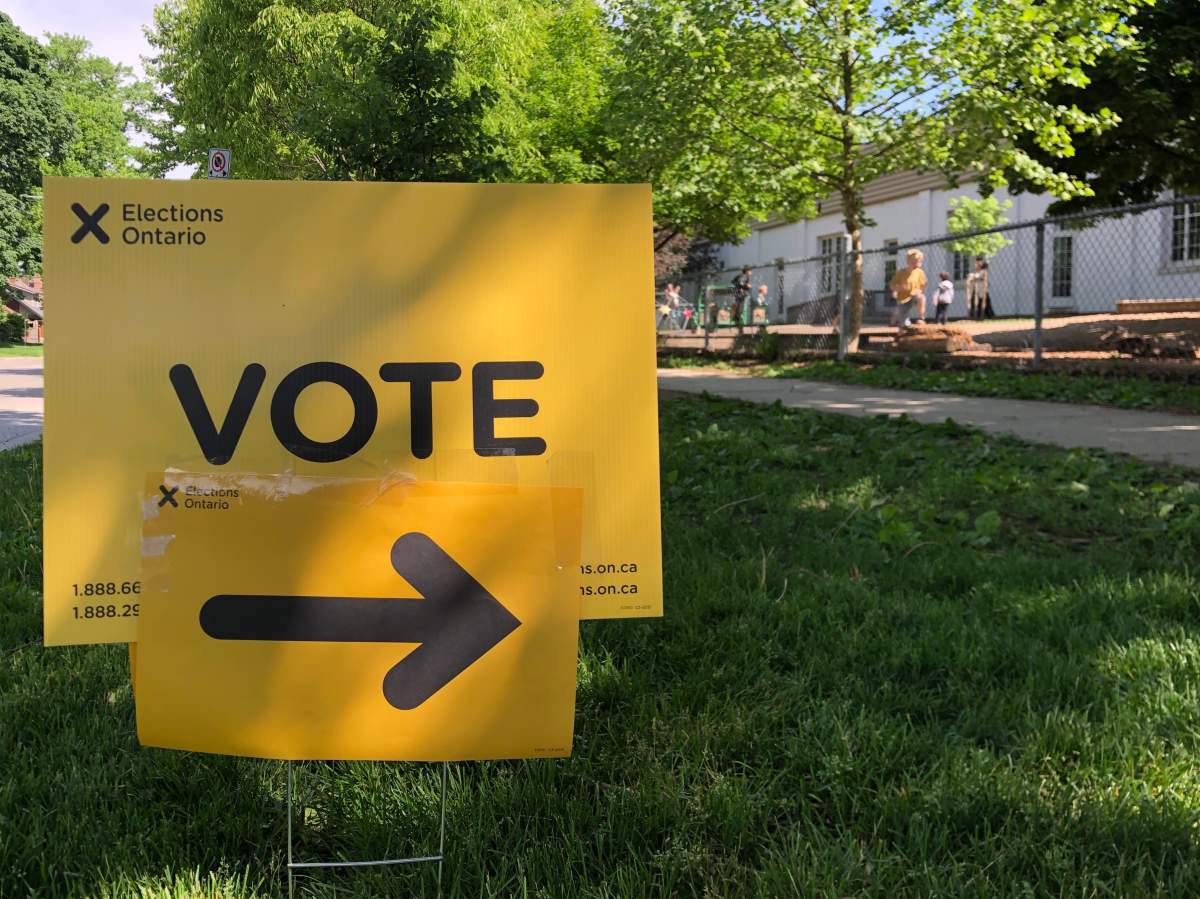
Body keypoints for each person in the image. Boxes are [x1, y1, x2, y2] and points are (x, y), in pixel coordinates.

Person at [889, 249, 927, 327]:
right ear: (910, 261)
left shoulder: (920, 272)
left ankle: (921, 318)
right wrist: (898, 289)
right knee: (904, 324)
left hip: (914, 296)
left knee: (921, 298)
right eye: (918, 261)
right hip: (903, 299)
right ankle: (896, 323)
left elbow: (923, 286)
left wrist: (919, 291)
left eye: (921, 261)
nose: (921, 263)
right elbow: (892, 285)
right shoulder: (901, 273)